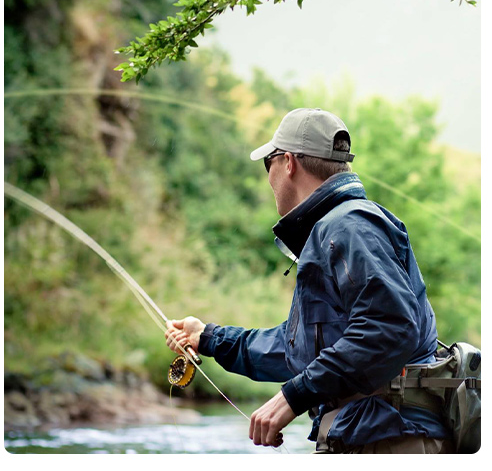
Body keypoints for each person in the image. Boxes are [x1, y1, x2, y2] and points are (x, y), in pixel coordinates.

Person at [165, 108, 454, 453]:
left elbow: (389, 326)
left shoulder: (349, 225)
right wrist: (210, 339)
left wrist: (292, 397)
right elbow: (296, 351)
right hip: (368, 436)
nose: (268, 176)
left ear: (288, 163)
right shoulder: (332, 229)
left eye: (268, 163)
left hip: (394, 439)